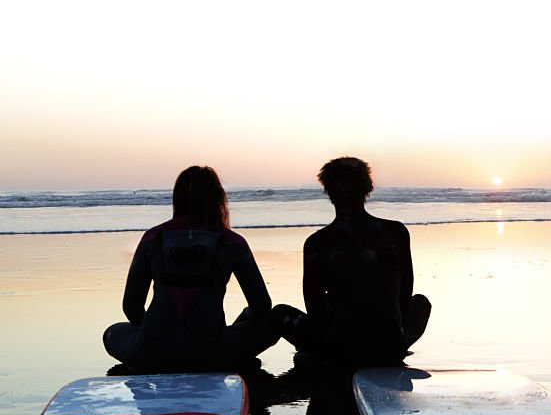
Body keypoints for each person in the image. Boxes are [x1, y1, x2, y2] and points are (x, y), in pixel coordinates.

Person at [103, 166, 279, 371]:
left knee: (112, 332)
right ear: (218, 199)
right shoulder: (232, 242)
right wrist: (245, 319)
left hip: (149, 354)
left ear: (177, 198)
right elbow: (262, 306)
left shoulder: (153, 238)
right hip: (215, 354)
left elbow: (131, 307)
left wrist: (157, 333)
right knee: (273, 323)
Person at [274, 157, 430, 365]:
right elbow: (404, 291)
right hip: (390, 345)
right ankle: (394, 339)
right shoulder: (395, 232)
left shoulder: (317, 243)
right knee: (420, 302)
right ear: (367, 188)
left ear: (328, 191)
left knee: (280, 313)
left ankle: (320, 351)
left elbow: (314, 303)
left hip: (339, 348)